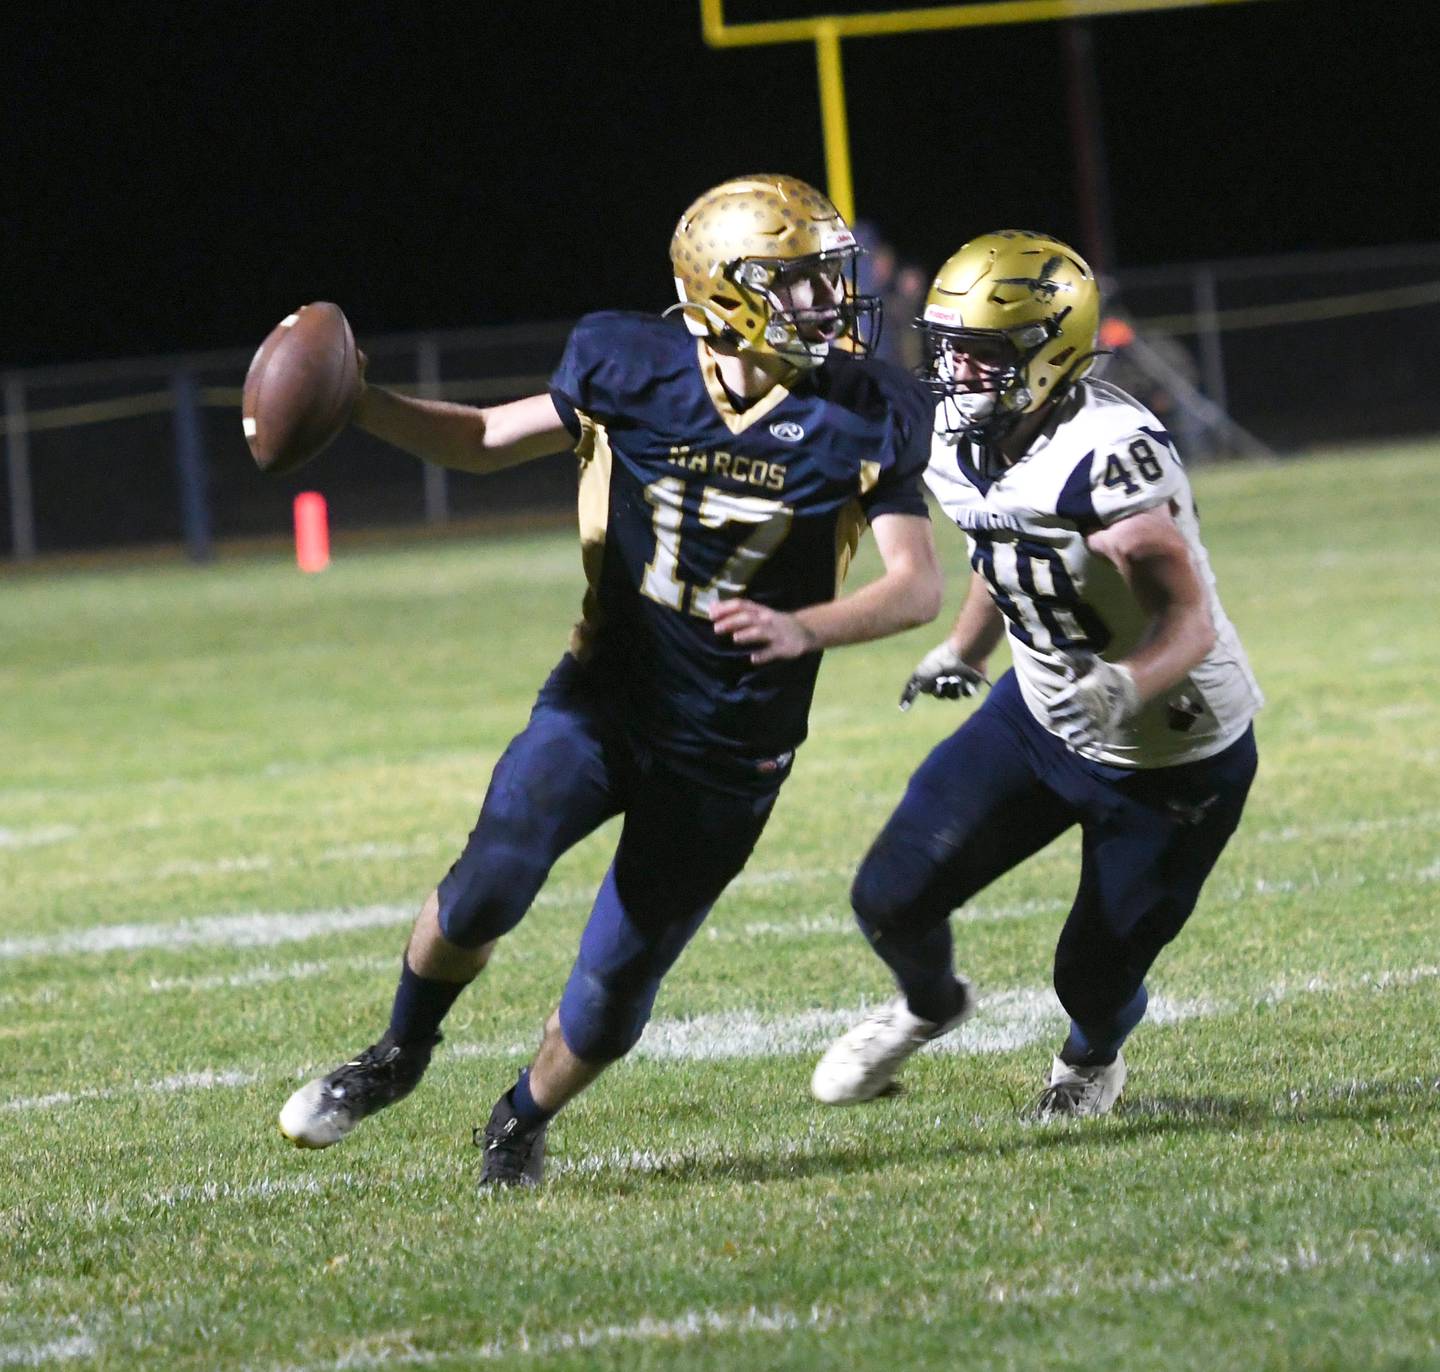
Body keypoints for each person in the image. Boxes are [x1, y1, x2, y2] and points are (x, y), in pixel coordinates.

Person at [276, 174, 943, 1186]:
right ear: (724, 292)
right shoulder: (628, 364)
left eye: (824, 281)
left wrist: (802, 624)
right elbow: (486, 439)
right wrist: (364, 402)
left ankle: (517, 1119)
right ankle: (397, 1055)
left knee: (613, 987)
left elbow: (914, 587)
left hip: (732, 745)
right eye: (798, 284)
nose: (826, 303)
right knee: (486, 885)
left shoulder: (868, 410)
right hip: (607, 698)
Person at [810, 230, 1262, 1118]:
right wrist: (964, 652)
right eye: (949, 352)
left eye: (981, 356)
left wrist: (1126, 684)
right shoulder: (956, 431)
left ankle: (1092, 1060)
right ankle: (928, 1006)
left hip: (1170, 750)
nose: (957, 375)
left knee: (1090, 977)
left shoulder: (1110, 457)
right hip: (1043, 711)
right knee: (891, 895)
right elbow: (1003, 545)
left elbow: (1189, 621)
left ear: (1048, 355)